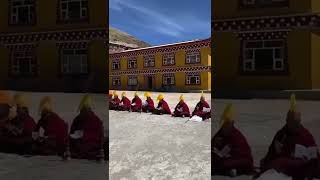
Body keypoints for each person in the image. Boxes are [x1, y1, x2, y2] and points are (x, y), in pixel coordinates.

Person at [257, 94, 319, 180]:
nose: (298, 125)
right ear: (287, 121)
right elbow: (272, 153)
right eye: (294, 122)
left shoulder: (305, 135)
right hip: (281, 171)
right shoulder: (281, 135)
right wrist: (267, 162)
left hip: (300, 171)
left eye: (298, 122)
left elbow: (314, 156)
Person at [212, 104, 254, 177]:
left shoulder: (236, 136)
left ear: (232, 124)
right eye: (224, 125)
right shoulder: (220, 134)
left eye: (228, 124)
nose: (225, 127)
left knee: (223, 163)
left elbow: (242, 154)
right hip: (223, 158)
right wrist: (214, 145)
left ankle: (232, 171)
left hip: (238, 159)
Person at [69, 94, 104, 160]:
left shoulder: (93, 120)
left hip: (89, 147)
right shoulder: (80, 119)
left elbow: (98, 135)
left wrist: (82, 134)